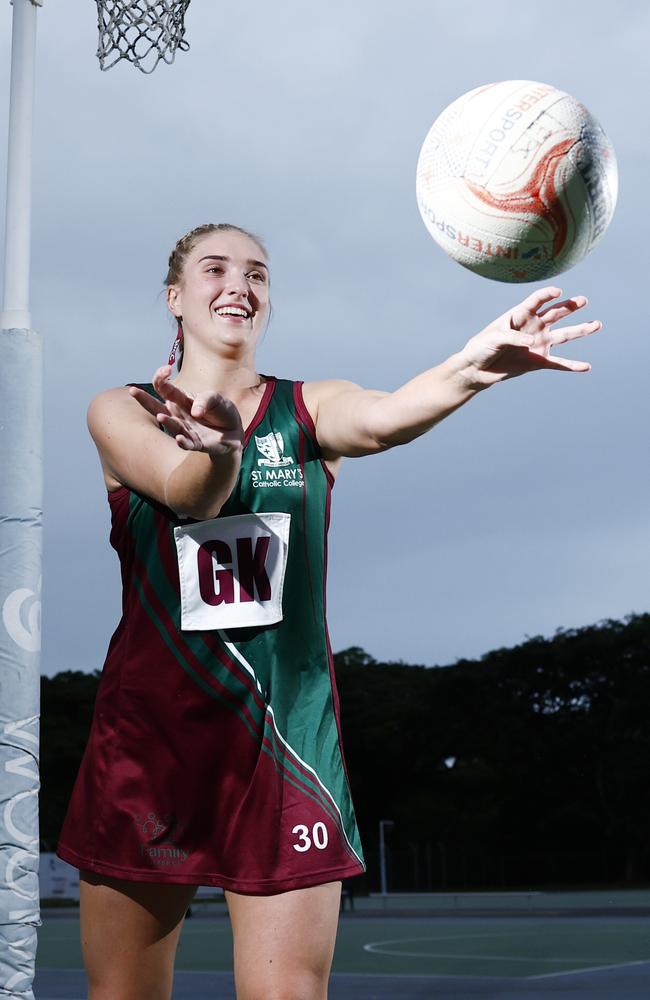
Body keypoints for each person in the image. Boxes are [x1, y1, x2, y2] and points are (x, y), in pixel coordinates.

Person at [55, 222, 601, 999]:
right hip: (150, 745)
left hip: (285, 749)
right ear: (176, 298)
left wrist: (473, 365)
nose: (239, 284)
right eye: (215, 269)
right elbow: (186, 493)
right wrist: (219, 452)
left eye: (258, 274)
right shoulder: (122, 409)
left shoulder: (309, 409)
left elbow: (386, 417)